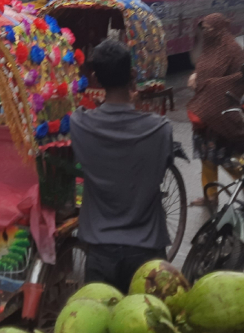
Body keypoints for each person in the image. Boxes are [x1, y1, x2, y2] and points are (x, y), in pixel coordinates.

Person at [70, 40, 173, 291]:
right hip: (148, 255)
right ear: (132, 76)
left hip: (100, 251)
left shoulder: (80, 125)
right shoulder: (160, 130)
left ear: (96, 78)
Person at [186, 14, 244, 209]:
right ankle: (210, 196)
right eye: (203, 29)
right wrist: (196, 75)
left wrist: (212, 86)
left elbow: (242, 78)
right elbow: (203, 69)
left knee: (226, 157)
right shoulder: (208, 48)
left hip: (223, 113)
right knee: (207, 156)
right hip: (206, 112)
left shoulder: (233, 49)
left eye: (209, 29)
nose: (206, 32)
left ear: (220, 29)